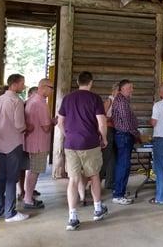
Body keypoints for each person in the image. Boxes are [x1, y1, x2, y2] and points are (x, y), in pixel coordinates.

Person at [57, 71, 108, 231]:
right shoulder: (95, 98)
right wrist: (104, 138)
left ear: (78, 82)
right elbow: (102, 122)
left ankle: (72, 218)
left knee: (73, 180)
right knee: (94, 176)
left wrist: (68, 135)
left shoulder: (67, 98)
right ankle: (98, 210)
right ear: (90, 82)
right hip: (90, 142)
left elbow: (60, 122)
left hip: (71, 143)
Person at [0, 74, 29, 223]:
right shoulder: (16, 101)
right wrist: (27, 127)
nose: (23, 86)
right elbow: (19, 125)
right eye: (22, 83)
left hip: (0, 143)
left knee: (1, 178)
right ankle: (10, 213)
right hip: (13, 143)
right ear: (15, 84)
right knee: (12, 179)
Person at [23, 78, 54, 209]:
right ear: (43, 87)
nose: (52, 91)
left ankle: (27, 197)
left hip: (31, 141)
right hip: (39, 143)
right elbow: (46, 127)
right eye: (51, 88)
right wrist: (53, 121)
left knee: (31, 171)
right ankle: (28, 199)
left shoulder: (31, 99)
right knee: (34, 172)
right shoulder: (40, 103)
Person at [111, 79, 139, 205]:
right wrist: (137, 134)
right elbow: (127, 124)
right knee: (123, 166)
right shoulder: (122, 102)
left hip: (124, 136)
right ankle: (118, 195)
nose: (131, 90)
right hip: (124, 136)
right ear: (121, 89)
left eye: (132, 87)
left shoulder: (123, 100)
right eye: (129, 88)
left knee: (123, 165)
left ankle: (119, 191)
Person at [100, 82, 119, 190]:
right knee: (106, 157)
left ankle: (110, 182)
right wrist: (113, 119)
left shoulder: (117, 102)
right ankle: (96, 182)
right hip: (108, 130)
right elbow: (101, 117)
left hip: (115, 130)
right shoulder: (109, 101)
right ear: (114, 90)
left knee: (113, 158)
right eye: (118, 91)